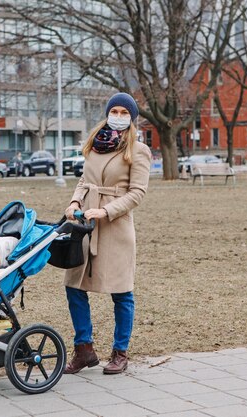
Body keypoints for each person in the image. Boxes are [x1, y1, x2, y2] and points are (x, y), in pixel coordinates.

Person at [63, 92, 151, 375]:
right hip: (86, 225)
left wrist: (107, 211)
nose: (119, 116)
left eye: (125, 113)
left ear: (132, 118)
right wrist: (75, 201)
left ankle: (120, 352)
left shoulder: (138, 150)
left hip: (115, 228)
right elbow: (84, 180)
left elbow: (137, 193)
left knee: (121, 292)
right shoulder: (95, 144)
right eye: (115, 111)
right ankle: (84, 349)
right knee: (74, 285)